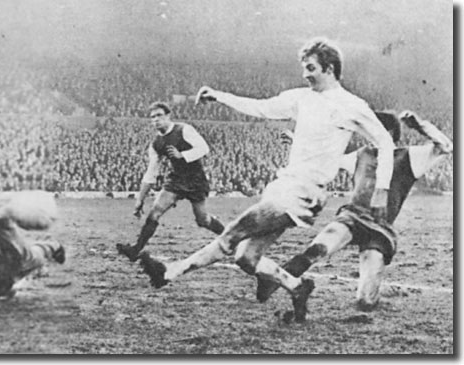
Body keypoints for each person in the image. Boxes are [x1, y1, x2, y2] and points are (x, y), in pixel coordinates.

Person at [139, 37, 396, 322]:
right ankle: (297, 287)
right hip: (284, 186)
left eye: (311, 68)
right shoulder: (301, 98)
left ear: (330, 68)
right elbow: (261, 107)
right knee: (245, 258)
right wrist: (220, 96)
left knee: (231, 235)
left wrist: (382, 188)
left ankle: (169, 272)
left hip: (304, 193)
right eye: (304, 68)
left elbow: (385, 141)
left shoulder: (351, 105)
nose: (305, 74)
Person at [255, 110, 453, 312]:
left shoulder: (409, 157)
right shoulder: (362, 155)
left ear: (389, 132)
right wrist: (296, 142)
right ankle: (277, 279)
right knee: (317, 249)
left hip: (380, 229)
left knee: (365, 302)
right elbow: (326, 159)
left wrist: (420, 125)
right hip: (352, 217)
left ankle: (377, 295)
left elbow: (445, 147)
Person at [116, 102, 225, 262]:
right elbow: (151, 173)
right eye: (152, 117)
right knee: (155, 211)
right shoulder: (156, 144)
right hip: (176, 180)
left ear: (168, 116)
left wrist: (183, 155)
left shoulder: (184, 129)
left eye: (159, 115)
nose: (156, 120)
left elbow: (204, 148)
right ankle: (136, 249)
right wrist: (140, 199)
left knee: (203, 220)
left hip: (196, 180)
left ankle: (231, 236)